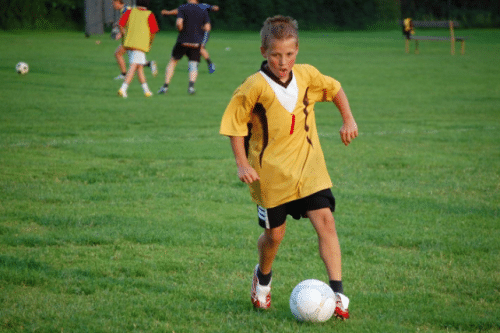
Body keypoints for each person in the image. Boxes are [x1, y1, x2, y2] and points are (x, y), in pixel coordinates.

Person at [219, 15, 358, 319]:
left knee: (326, 221)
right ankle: (263, 279)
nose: (283, 62)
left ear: (297, 50)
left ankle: (338, 295)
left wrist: (348, 118)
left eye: (289, 54)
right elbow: (234, 126)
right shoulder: (253, 87)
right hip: (270, 176)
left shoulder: (307, 75)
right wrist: (242, 164)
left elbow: (334, 89)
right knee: (274, 236)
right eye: (275, 55)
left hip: (310, 169)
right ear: (263, 52)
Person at [157, 0, 211, 95]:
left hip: (183, 41)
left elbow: (179, 23)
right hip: (196, 43)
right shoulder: (203, 10)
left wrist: (181, 30)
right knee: (193, 65)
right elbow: (207, 28)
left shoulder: (183, 8)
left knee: (173, 61)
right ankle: (191, 87)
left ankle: (165, 86)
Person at [160, 2, 219, 74]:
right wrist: (168, 12)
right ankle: (195, 64)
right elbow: (178, 10)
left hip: (203, 32)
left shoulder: (202, 6)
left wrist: (215, 8)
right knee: (192, 47)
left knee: (200, 47)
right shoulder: (187, 7)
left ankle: (209, 64)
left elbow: (213, 8)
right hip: (192, 32)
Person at [117, 0, 159, 98]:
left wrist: (124, 35)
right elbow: (153, 31)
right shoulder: (149, 15)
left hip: (128, 44)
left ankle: (147, 91)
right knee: (134, 66)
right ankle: (123, 89)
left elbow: (121, 24)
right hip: (140, 45)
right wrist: (150, 43)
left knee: (139, 67)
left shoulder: (129, 11)